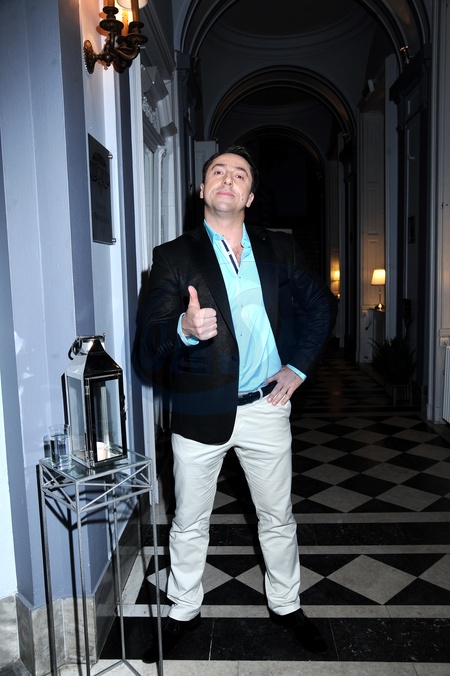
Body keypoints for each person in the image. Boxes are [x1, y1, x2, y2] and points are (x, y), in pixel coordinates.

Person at [133, 145, 338, 662]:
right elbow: (146, 349)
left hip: (267, 406)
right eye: (218, 171)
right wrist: (183, 327)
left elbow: (321, 307)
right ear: (202, 189)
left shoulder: (279, 248)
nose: (228, 178)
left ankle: (287, 605)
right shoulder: (173, 256)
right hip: (198, 411)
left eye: (240, 174)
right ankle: (183, 609)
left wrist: (298, 367)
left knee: (277, 517)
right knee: (188, 521)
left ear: (249, 195)